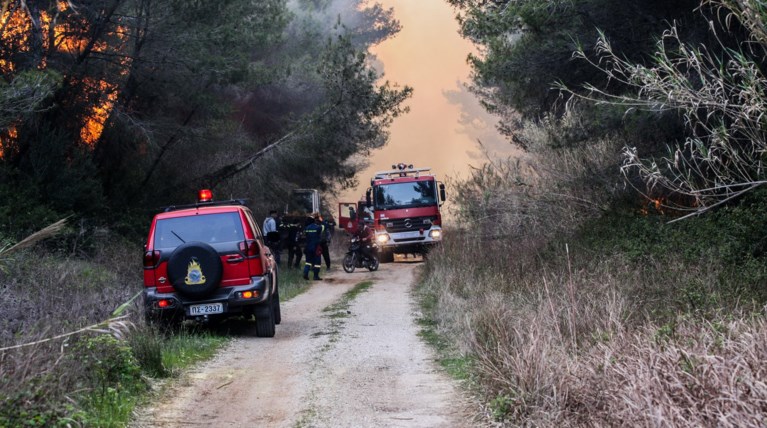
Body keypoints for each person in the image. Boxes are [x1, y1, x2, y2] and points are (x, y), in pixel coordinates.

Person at [303, 213, 323, 280]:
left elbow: (305, 236)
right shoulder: (318, 227)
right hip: (316, 247)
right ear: (314, 220)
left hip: (308, 247)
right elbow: (324, 226)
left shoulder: (306, 228)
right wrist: (320, 219)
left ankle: (305, 274)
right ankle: (315, 276)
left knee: (308, 262)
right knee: (317, 262)